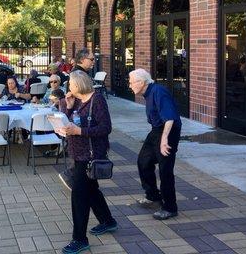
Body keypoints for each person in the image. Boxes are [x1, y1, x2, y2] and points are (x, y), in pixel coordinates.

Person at [58, 70, 117, 254]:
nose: (69, 87)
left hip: (90, 155)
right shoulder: (75, 100)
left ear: (79, 84)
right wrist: (67, 108)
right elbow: (71, 122)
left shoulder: (97, 100)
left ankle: (79, 239)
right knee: (91, 190)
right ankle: (108, 221)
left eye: (71, 84)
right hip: (77, 153)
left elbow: (106, 128)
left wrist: (80, 132)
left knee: (79, 196)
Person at [129, 68, 182, 221]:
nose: (130, 85)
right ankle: (153, 195)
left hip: (168, 131)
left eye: (132, 82)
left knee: (165, 169)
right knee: (143, 161)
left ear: (142, 82)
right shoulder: (148, 92)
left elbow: (170, 118)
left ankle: (170, 208)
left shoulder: (159, 91)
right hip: (157, 130)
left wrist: (164, 140)